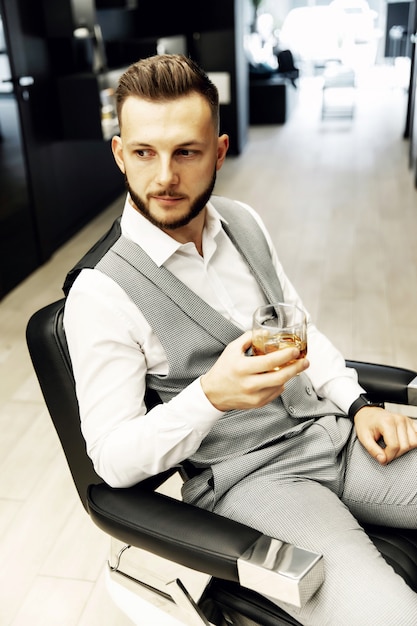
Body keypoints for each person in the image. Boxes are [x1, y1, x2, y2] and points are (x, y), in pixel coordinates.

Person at [63, 54, 417, 625]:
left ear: (220, 152)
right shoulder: (101, 294)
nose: (165, 178)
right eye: (144, 152)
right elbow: (112, 461)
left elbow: (300, 324)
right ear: (119, 153)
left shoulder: (243, 222)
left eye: (187, 152)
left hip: (334, 435)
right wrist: (211, 396)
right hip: (253, 482)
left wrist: (359, 404)